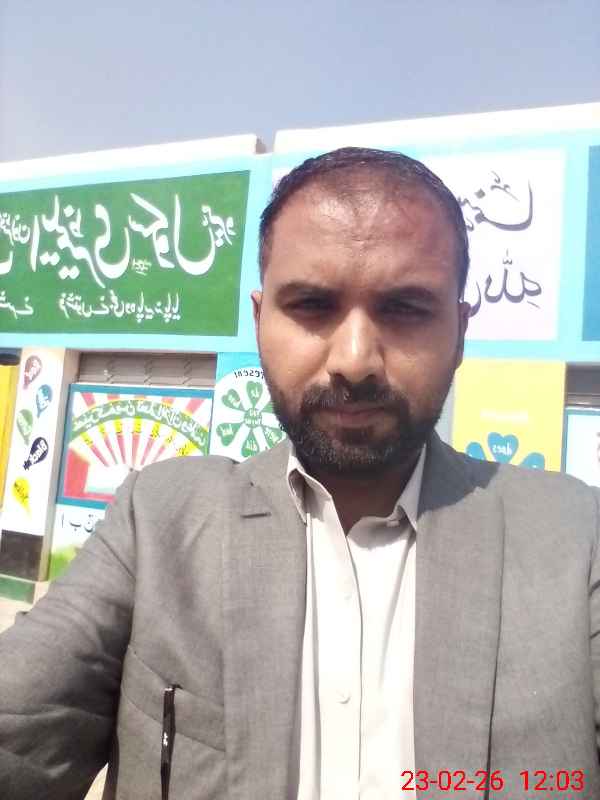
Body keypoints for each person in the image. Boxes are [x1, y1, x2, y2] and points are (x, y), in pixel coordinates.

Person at [1, 147, 599, 800]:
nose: (355, 360)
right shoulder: (160, 521)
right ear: (260, 321)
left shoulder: (574, 539)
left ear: (460, 331)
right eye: (313, 305)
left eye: (405, 309)